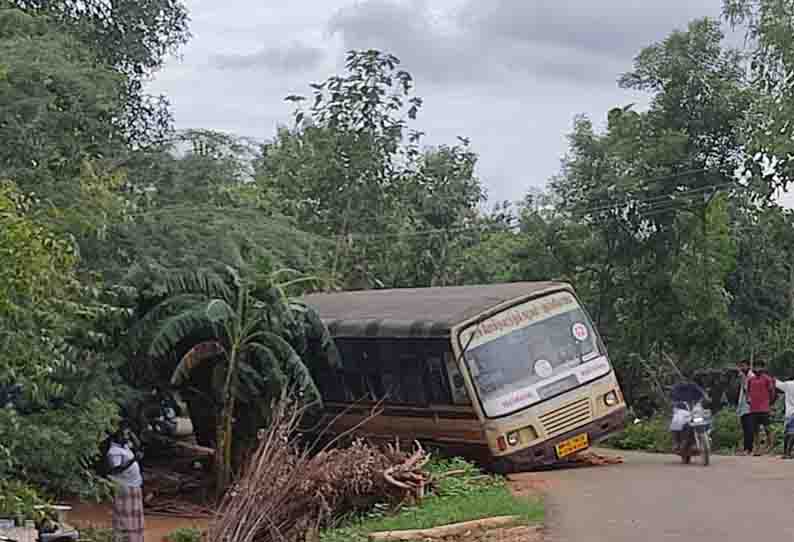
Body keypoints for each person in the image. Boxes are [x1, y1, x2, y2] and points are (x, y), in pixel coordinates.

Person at [106, 422, 145, 542]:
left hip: (133, 486)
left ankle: (135, 539)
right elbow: (116, 469)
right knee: (125, 518)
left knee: (134, 517)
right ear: (116, 436)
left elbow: (139, 446)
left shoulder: (125, 447)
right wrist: (133, 460)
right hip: (124, 488)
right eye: (124, 435)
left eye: (128, 435)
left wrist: (131, 435)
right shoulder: (113, 451)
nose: (127, 437)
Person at [669, 380, 707, 453]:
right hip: (681, 409)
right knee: (676, 420)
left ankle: (700, 439)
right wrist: (675, 403)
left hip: (693, 409)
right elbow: (672, 397)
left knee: (700, 420)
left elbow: (702, 393)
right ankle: (676, 443)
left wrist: (705, 398)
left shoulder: (693, 386)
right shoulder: (677, 387)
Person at [747, 364, 775, 455]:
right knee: (755, 430)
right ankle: (757, 448)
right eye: (755, 367)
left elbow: (772, 392)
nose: (757, 369)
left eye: (759, 367)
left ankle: (770, 446)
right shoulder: (751, 380)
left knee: (767, 428)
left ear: (763, 368)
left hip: (764, 408)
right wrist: (748, 399)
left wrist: (770, 403)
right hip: (753, 408)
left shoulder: (767, 379)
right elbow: (747, 391)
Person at [736, 361, 755, 456]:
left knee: (749, 428)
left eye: (743, 366)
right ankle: (746, 448)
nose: (741, 368)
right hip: (743, 406)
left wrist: (743, 380)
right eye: (741, 366)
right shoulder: (744, 376)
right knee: (745, 428)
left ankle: (749, 449)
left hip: (749, 406)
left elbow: (747, 390)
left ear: (748, 366)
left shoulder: (750, 377)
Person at [775, 375, 794, 459]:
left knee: (787, 432)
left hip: (789, 412)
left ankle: (786, 452)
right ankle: (788, 453)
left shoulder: (787, 384)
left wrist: (775, 378)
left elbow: (776, 383)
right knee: (792, 433)